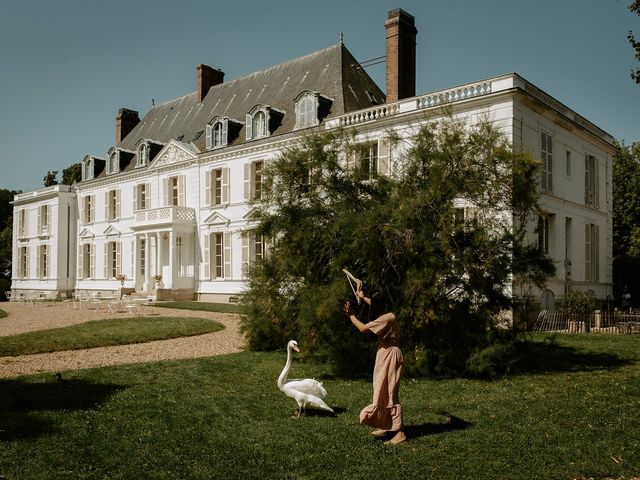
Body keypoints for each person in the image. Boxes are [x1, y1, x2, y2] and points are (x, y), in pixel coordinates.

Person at [343, 290, 406, 444]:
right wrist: (363, 298)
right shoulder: (388, 314)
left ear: (379, 306)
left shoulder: (386, 318)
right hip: (385, 354)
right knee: (381, 390)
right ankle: (386, 425)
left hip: (390, 355)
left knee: (391, 392)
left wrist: (351, 314)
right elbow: (375, 304)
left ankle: (400, 433)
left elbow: (363, 329)